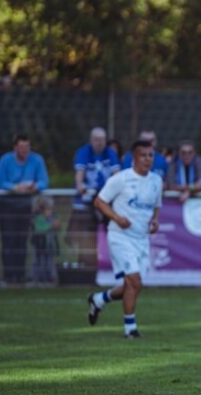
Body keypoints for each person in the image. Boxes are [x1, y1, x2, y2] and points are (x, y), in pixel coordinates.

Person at [87, 140, 163, 339]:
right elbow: (99, 202)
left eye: (150, 155)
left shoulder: (156, 180)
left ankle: (99, 299)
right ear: (134, 158)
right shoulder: (121, 179)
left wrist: (155, 220)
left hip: (141, 239)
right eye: (143, 155)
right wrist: (117, 218)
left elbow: (156, 205)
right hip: (120, 236)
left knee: (133, 285)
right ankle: (130, 329)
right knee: (134, 282)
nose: (147, 159)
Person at [0, 134, 49, 285]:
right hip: (7, 204)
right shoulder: (6, 160)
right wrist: (15, 187)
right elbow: (0, 181)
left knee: (22, 241)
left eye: (27, 147)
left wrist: (34, 187)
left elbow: (44, 181)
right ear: (15, 147)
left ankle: (20, 276)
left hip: (26, 205)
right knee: (8, 240)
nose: (24, 150)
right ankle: (8, 276)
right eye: (21, 147)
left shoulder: (37, 160)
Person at [69, 127, 120, 266]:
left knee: (114, 230)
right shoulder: (84, 152)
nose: (100, 142)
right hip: (87, 200)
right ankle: (87, 265)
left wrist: (116, 190)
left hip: (106, 199)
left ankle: (117, 263)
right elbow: (79, 173)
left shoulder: (110, 152)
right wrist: (80, 185)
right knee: (87, 234)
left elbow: (117, 174)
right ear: (91, 140)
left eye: (102, 139)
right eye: (96, 139)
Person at [30, 194, 60, 285]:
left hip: (49, 245)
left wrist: (57, 225)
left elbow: (56, 229)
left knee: (49, 261)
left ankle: (50, 277)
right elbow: (39, 228)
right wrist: (51, 226)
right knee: (39, 261)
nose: (50, 211)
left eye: (51, 209)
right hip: (40, 245)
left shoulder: (52, 218)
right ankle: (37, 278)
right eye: (48, 209)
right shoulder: (39, 218)